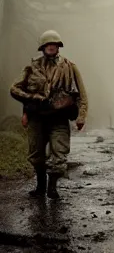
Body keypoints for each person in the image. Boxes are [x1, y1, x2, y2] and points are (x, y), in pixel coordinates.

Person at [9, 30, 88, 199]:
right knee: (36, 155)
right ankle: (40, 186)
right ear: (43, 47)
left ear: (59, 46)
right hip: (37, 118)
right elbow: (15, 88)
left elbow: (82, 94)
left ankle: (52, 187)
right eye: (48, 45)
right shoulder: (32, 67)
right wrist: (32, 100)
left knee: (59, 155)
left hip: (59, 118)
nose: (51, 47)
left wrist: (81, 117)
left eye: (54, 44)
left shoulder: (69, 66)